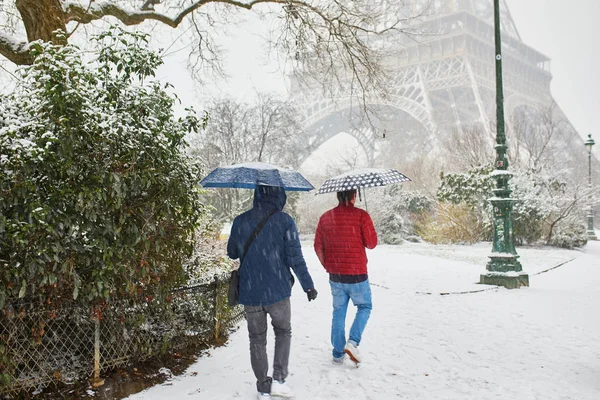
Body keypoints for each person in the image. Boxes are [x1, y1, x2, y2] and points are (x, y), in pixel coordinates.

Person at [227, 185, 318, 399]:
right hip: (278, 291)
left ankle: (263, 388)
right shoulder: (285, 221)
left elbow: (232, 252)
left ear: (257, 194)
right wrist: (308, 285)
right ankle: (278, 380)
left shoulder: (240, 220)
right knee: (283, 332)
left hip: (251, 293)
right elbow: (295, 258)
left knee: (256, 339)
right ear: (279, 195)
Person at [313, 189, 377, 365]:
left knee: (339, 311)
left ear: (337, 195)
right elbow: (371, 244)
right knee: (365, 306)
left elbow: (318, 245)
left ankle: (337, 353)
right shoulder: (361, 216)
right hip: (357, 275)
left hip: (336, 276)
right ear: (354, 196)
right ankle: (353, 343)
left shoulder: (326, 217)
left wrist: (328, 265)